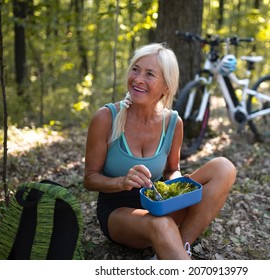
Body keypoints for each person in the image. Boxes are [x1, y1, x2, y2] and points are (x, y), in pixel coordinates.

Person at [84, 43, 236, 260]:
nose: (138, 79)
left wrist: (178, 185)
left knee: (224, 167)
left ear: (166, 85)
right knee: (162, 225)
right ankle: (172, 250)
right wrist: (121, 181)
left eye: (149, 74)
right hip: (119, 213)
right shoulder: (106, 118)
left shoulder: (173, 122)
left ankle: (178, 247)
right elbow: (89, 179)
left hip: (159, 202)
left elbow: (172, 170)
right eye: (135, 69)